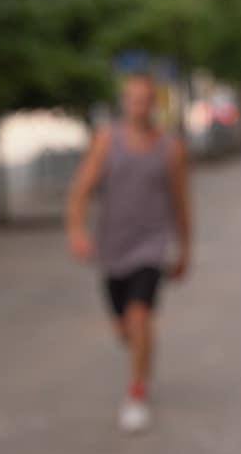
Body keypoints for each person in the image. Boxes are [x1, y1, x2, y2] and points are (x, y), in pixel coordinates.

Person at [66, 72, 191, 434]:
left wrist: (185, 249)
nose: (139, 105)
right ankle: (142, 353)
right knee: (125, 329)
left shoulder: (171, 149)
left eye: (145, 99)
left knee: (139, 316)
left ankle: (136, 393)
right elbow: (80, 191)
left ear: (154, 103)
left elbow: (182, 204)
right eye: (133, 99)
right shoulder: (107, 141)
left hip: (151, 246)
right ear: (124, 103)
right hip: (113, 247)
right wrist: (77, 231)